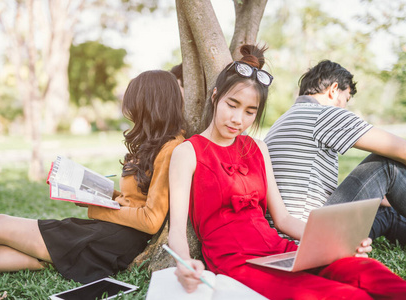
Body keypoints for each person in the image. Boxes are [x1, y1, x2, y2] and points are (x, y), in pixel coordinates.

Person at [167, 44, 406, 299]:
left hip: (280, 250)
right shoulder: (188, 152)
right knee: (345, 295)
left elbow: (283, 219)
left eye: (250, 111)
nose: (238, 118)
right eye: (232, 105)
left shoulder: (258, 148)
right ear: (215, 97)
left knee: (369, 272)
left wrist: (337, 243)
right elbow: (177, 231)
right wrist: (183, 261)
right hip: (237, 262)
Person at [0, 70, 186, 283]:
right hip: (111, 235)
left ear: (150, 106)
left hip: (115, 241)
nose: (132, 115)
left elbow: (151, 219)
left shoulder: (172, 149)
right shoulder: (157, 145)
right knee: (2, 255)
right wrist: (99, 195)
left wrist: (98, 209)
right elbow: (137, 199)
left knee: (0, 225)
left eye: (135, 108)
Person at [264, 60, 406, 245]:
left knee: (386, 212)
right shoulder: (323, 114)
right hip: (306, 234)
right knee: (386, 165)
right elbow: (400, 148)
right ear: (333, 90)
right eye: (346, 100)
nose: (345, 108)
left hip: (286, 232)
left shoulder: (284, 120)